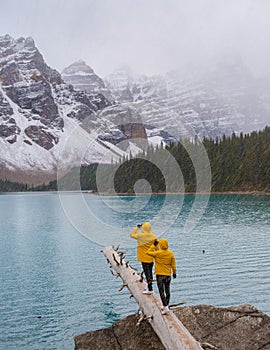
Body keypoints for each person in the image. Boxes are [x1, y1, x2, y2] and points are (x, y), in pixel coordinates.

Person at [147, 238, 176, 314]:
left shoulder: (158, 253)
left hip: (160, 275)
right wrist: (174, 273)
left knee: (161, 291)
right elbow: (173, 265)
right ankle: (166, 304)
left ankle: (165, 307)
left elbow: (148, 252)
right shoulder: (171, 253)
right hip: (168, 275)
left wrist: (154, 245)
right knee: (167, 290)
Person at [130, 222, 158, 294]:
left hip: (144, 258)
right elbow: (157, 247)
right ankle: (149, 287)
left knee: (147, 273)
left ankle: (150, 289)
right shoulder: (154, 236)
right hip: (151, 257)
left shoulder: (140, 236)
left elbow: (131, 235)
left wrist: (137, 227)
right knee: (150, 272)